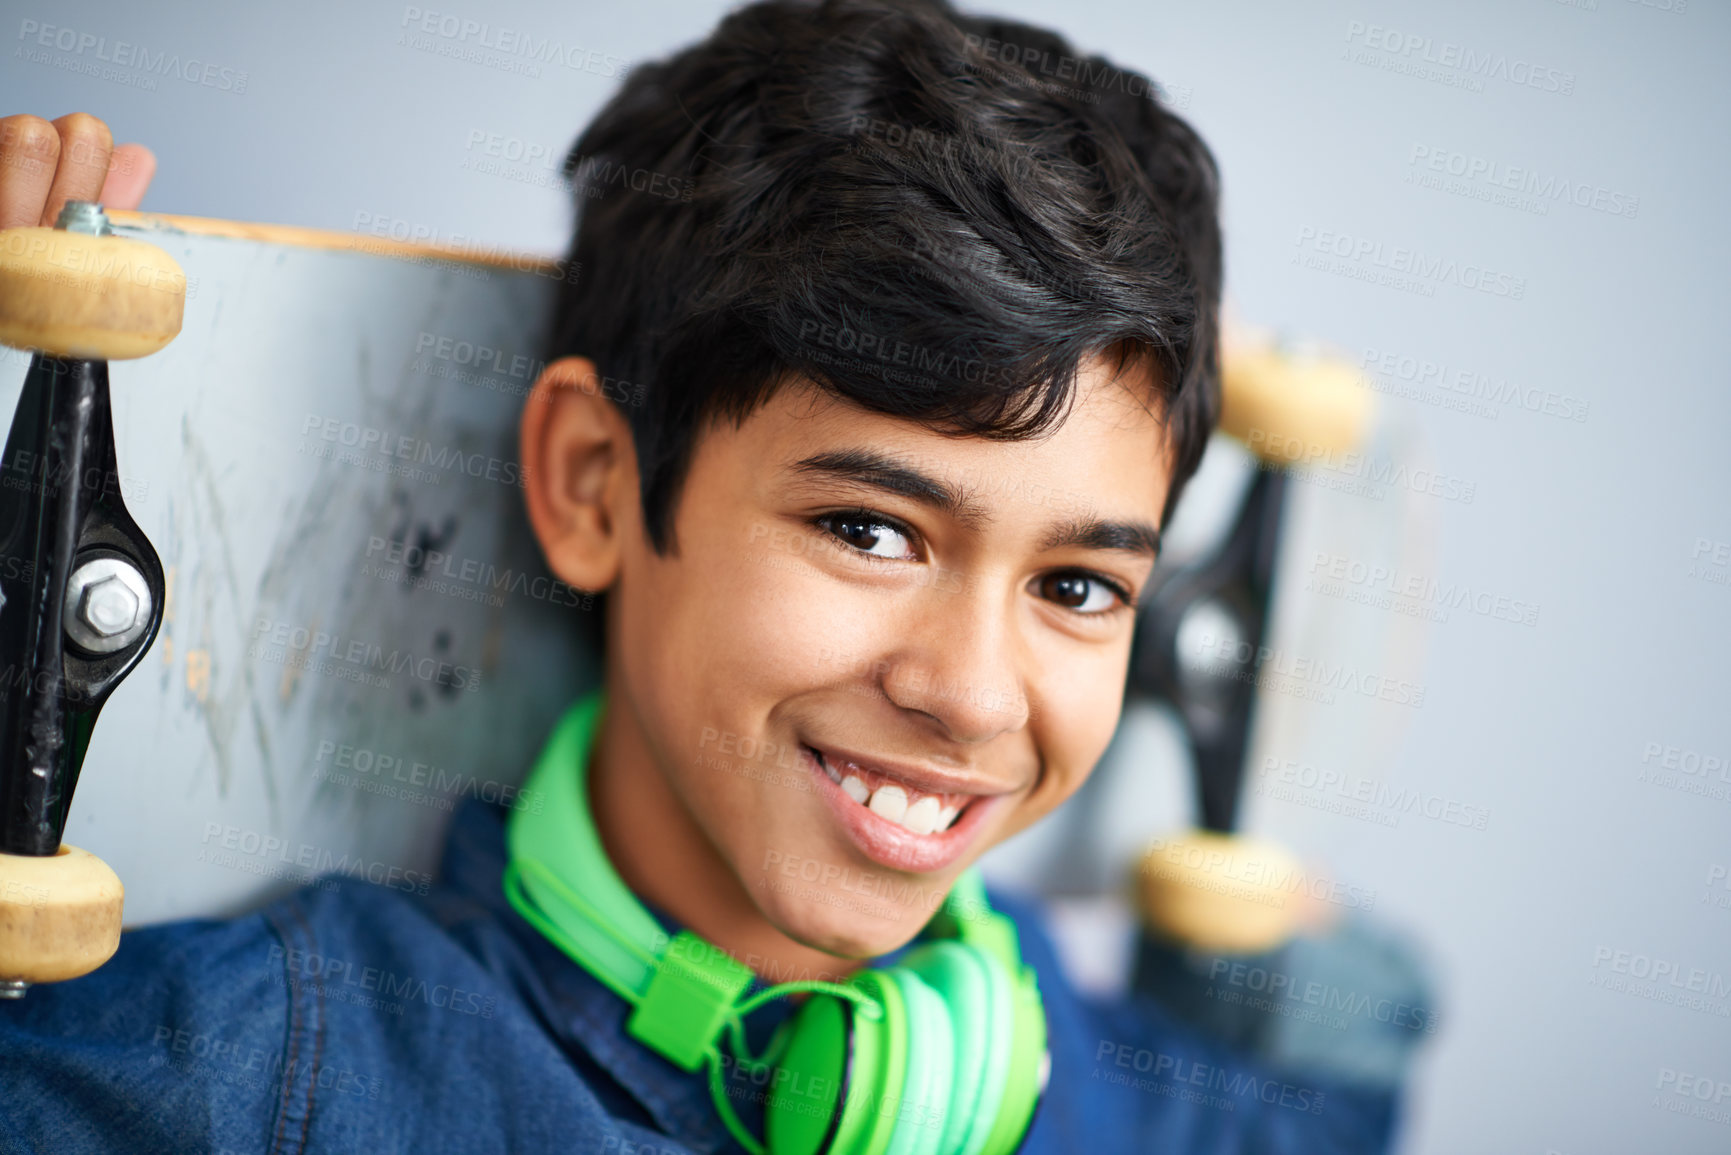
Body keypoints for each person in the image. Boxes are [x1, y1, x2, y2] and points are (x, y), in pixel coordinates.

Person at [0, 2, 1421, 1151]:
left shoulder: (1125, 1098)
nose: (975, 697)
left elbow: (1346, 1070)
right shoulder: (237, 1083)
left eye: (1079, 586)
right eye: (871, 529)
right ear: (593, 484)